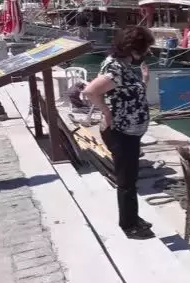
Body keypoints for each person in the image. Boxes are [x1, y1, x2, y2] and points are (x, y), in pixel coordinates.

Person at [82, 26, 156, 240]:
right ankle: (129, 225)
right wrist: (105, 111)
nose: (146, 53)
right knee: (126, 181)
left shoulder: (122, 65)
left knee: (130, 178)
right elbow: (90, 91)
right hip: (121, 132)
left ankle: (133, 216)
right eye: (145, 48)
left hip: (130, 132)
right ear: (134, 48)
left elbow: (125, 92)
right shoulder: (115, 67)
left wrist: (143, 81)